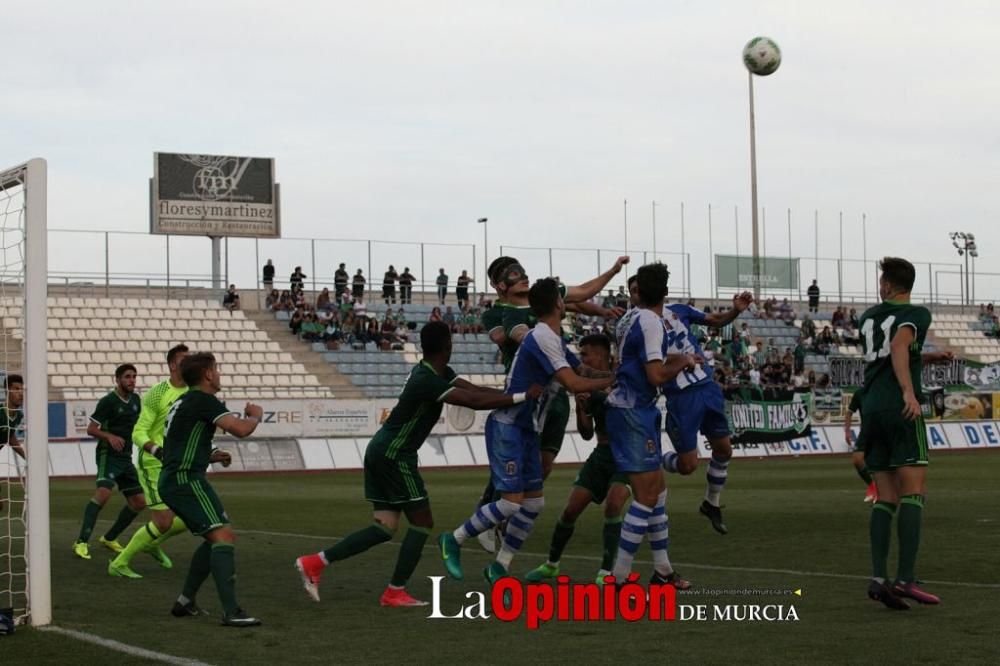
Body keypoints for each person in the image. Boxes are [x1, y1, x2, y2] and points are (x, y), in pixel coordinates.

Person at [294, 321, 542, 607]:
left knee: (384, 527)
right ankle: (394, 591)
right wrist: (521, 396)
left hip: (381, 449)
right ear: (447, 347)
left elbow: (474, 389)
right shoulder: (427, 380)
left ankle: (315, 562)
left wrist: (507, 394)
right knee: (423, 523)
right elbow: (472, 400)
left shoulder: (433, 372)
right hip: (395, 455)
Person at [439, 279, 613, 584]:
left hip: (527, 428)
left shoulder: (553, 339)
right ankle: (453, 539)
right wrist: (612, 380)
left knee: (534, 503)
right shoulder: (544, 337)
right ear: (559, 304)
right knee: (510, 502)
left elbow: (583, 371)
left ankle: (500, 566)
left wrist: (620, 375)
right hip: (509, 426)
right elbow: (574, 383)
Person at [606, 263, 700, 587]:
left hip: (634, 409)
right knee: (646, 497)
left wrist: (680, 360)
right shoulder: (651, 321)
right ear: (665, 293)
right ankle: (618, 579)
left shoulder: (628, 318)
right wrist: (683, 362)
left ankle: (662, 570)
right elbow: (655, 374)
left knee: (657, 492)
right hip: (633, 411)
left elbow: (636, 364)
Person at [857, 257, 939, 610]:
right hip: (898, 408)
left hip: (871, 408)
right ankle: (906, 578)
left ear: (888, 285)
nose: (880, 285)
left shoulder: (866, 318)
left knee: (885, 496)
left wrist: (929, 359)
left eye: (881, 280)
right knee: (913, 492)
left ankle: (879, 578)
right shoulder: (918, 314)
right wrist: (909, 392)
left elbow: (887, 354)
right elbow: (898, 347)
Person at [159, 352, 262, 626]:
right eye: (215, 369)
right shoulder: (203, 400)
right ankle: (231, 612)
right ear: (207, 374)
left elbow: (177, 444)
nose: (218, 374)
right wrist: (254, 417)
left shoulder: (183, 401)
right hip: (185, 480)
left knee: (214, 535)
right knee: (223, 537)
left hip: (178, 477)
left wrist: (209, 455)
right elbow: (240, 429)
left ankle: (185, 601)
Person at [524, 334, 631, 585]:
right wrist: (582, 408)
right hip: (602, 453)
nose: (581, 359)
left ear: (601, 355)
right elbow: (586, 434)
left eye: (585, 354)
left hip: (627, 454)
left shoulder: (622, 378)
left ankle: (606, 573)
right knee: (570, 510)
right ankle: (551, 565)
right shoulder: (584, 384)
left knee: (613, 505)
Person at [660, 290, 755, 536]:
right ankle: (655, 458)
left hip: (707, 387)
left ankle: (710, 503)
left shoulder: (678, 310)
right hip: (681, 395)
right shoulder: (636, 322)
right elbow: (644, 360)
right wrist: (681, 358)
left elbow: (714, 320)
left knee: (724, 450)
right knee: (687, 465)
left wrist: (735, 310)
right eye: (634, 290)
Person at [108, 344, 191, 579]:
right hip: (154, 464)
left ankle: (151, 542)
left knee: (190, 517)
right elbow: (138, 432)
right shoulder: (157, 393)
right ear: (173, 365)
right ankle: (119, 563)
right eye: (184, 360)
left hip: (180, 465)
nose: (190, 363)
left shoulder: (193, 394)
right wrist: (155, 449)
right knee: (164, 521)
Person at [73, 364, 147, 560]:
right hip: (108, 455)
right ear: (117, 379)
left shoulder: (136, 400)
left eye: (134, 376)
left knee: (139, 502)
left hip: (126, 457)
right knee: (103, 494)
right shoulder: (108, 401)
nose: (132, 380)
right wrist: (109, 436)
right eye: (127, 377)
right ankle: (81, 541)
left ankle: (109, 538)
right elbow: (91, 429)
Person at [844, 389, 878, 504]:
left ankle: (883, 491)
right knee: (857, 459)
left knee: (880, 464)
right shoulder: (860, 393)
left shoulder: (881, 390)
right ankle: (873, 486)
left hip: (883, 431)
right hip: (865, 432)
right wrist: (847, 431)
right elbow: (849, 412)